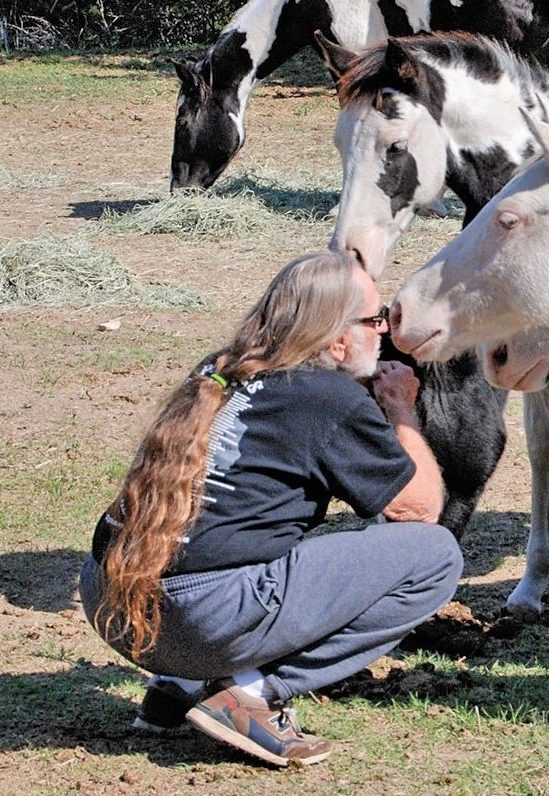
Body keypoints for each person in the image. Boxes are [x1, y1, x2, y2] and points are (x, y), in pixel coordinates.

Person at [79, 250, 462, 767]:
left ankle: (180, 684)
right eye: (375, 319)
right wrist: (400, 407)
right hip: (198, 616)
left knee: (245, 536)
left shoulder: (218, 371)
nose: (384, 333)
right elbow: (418, 511)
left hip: (112, 599)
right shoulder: (326, 397)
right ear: (337, 337)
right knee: (433, 554)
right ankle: (250, 692)